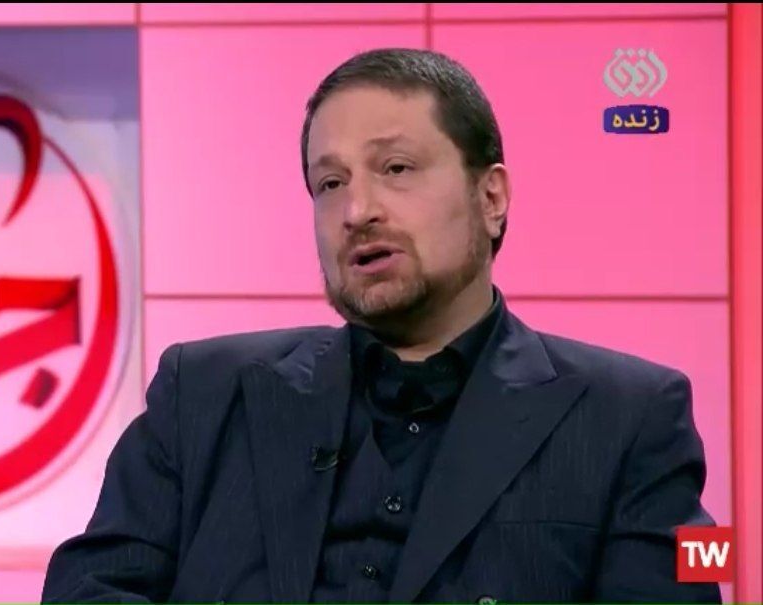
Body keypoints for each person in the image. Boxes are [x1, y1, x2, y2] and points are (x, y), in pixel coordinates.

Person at [41, 48, 721, 604]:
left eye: (396, 169)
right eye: (329, 183)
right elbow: (86, 589)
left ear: (491, 197)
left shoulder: (634, 416)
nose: (356, 210)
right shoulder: (200, 392)